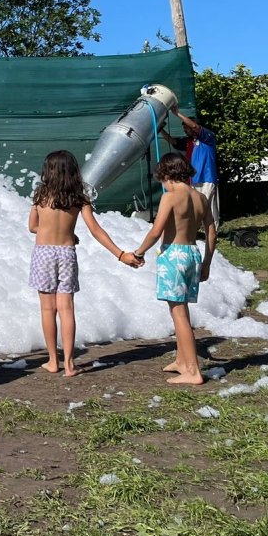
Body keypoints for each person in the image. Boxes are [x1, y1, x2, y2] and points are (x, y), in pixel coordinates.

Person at [28, 150, 140, 377]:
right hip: (67, 254)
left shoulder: (40, 195)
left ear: (48, 171)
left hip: (43, 254)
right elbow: (96, 230)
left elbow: (32, 227)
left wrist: (51, 230)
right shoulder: (79, 198)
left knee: (48, 309)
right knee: (67, 308)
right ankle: (70, 365)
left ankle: (53, 361)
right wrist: (120, 254)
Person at [132, 152, 218, 386]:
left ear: (167, 175)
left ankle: (193, 371)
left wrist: (139, 252)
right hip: (192, 254)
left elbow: (155, 231)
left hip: (173, 255)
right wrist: (207, 263)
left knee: (179, 314)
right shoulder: (201, 197)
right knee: (181, 310)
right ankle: (181, 360)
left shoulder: (170, 197)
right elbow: (211, 232)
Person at [163, 109, 220, 228]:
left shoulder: (208, 137)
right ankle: (198, 231)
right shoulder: (189, 142)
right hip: (193, 180)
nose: (185, 131)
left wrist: (176, 113)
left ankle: (213, 233)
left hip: (207, 179)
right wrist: (160, 130)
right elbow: (173, 141)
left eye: (186, 128)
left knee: (209, 208)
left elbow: (194, 126)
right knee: (195, 208)